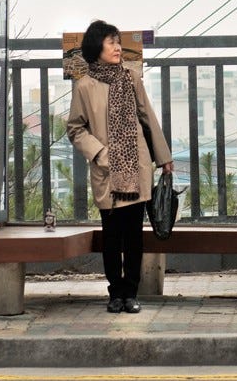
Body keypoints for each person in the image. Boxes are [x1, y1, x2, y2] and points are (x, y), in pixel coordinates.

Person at [67, 20, 173, 314]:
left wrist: (163, 157)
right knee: (112, 235)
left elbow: (147, 116)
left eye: (118, 42)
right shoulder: (85, 86)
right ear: (96, 48)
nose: (117, 47)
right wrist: (100, 153)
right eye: (111, 42)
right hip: (107, 171)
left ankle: (131, 293)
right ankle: (115, 293)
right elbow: (76, 128)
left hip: (136, 166)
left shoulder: (132, 76)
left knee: (134, 235)